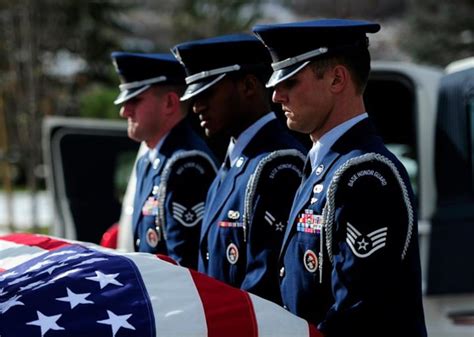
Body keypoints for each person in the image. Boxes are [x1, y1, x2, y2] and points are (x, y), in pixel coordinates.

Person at [253, 19, 427, 337]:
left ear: (336, 78)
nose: (277, 96)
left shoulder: (365, 176)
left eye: (290, 81)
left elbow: (359, 312)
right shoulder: (326, 164)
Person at [171, 34, 308, 304]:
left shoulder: (279, 165)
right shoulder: (234, 161)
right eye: (195, 96)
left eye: (208, 93)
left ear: (248, 86)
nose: (197, 106)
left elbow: (264, 285)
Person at [111, 51, 218, 269]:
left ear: (170, 102)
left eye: (135, 100)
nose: (124, 111)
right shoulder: (148, 160)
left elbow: (185, 266)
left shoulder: (187, 164)